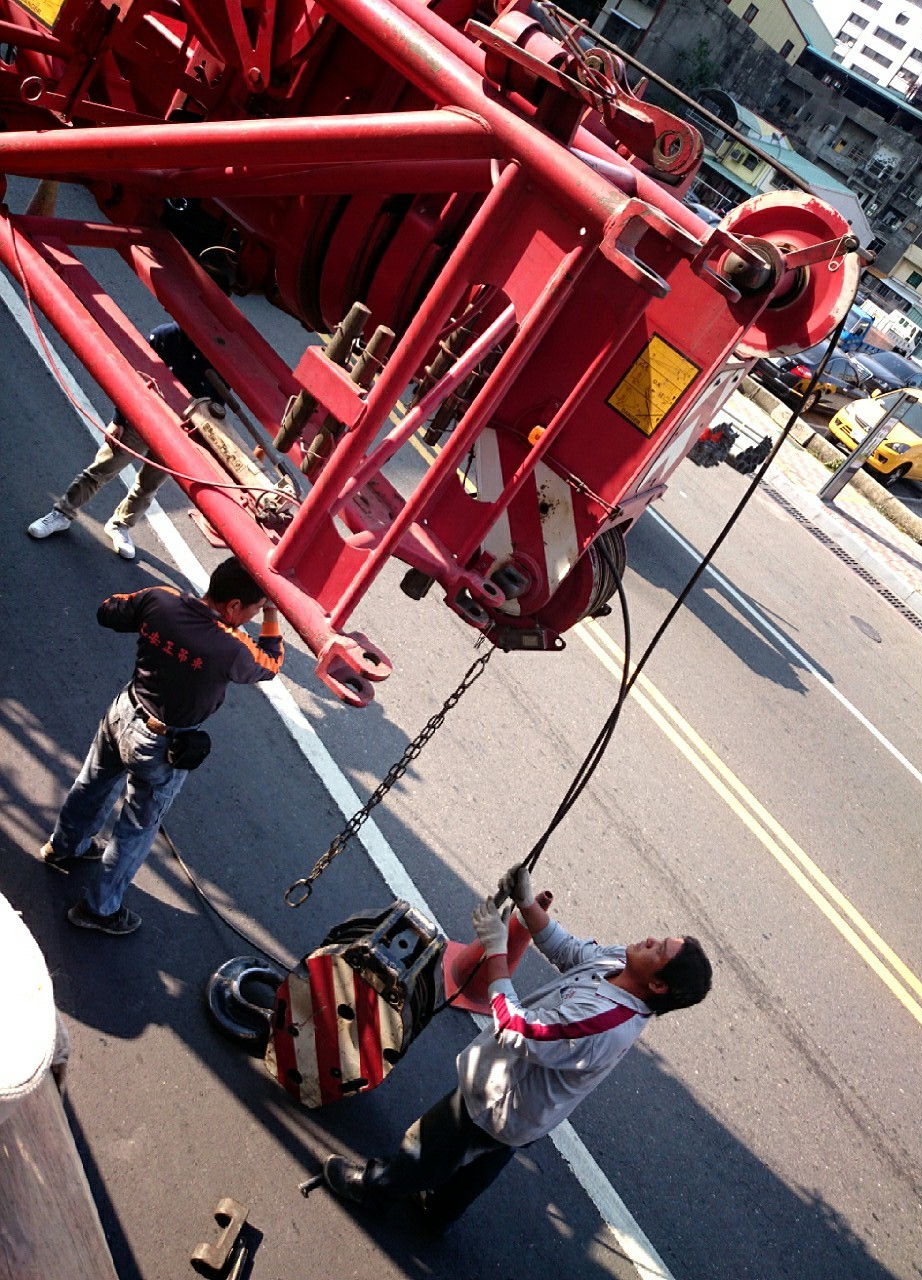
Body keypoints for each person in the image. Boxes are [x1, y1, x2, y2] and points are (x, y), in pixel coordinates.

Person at [317, 863, 712, 1231]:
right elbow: (569, 950)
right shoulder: (618, 965)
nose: (649, 941)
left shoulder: (603, 1024)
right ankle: (437, 1215)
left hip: (500, 1099)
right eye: (661, 940)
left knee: (430, 1144)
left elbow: (515, 1028)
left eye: (659, 950)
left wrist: (495, 949)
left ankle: (373, 1189)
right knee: (479, 1163)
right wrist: (526, 904)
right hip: (525, 1111)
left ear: (659, 986)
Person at [40, 556, 284, 937]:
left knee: (92, 784)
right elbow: (269, 663)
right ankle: (99, 909)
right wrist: (273, 614)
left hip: (125, 711)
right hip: (162, 744)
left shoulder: (161, 598)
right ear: (234, 606)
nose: (252, 617)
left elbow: (109, 611)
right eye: (253, 609)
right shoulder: (233, 647)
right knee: (136, 829)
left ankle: (63, 846)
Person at [27, 312, 226, 561]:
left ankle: (120, 525)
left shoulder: (220, 355)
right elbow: (133, 376)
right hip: (142, 417)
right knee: (101, 470)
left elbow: (217, 403)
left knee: (148, 486)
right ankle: (63, 513)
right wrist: (119, 420)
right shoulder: (165, 336)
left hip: (178, 433)